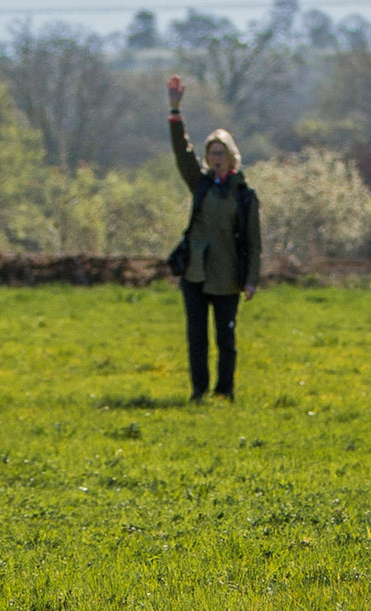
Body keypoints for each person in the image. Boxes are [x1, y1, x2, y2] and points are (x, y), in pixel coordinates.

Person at [167, 74, 261, 403]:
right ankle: (198, 391)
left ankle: (225, 391)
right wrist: (175, 112)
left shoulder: (245, 194)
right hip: (195, 273)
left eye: (221, 152)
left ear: (231, 156)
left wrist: (250, 280)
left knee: (226, 338)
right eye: (212, 153)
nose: (216, 157)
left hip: (226, 278)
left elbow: (253, 241)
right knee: (197, 338)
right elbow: (182, 154)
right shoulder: (202, 184)